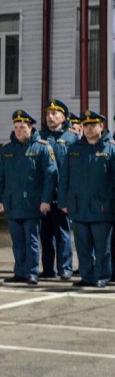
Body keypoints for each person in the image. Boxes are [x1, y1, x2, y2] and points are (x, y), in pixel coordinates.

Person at [0, 110, 57, 285]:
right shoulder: (7, 150)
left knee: (32, 241)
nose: (19, 131)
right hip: (13, 204)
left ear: (30, 128)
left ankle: (31, 272)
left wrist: (46, 200)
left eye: (22, 127)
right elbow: (0, 177)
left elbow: (50, 177)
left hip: (33, 203)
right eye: (16, 128)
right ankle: (20, 272)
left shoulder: (42, 147)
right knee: (17, 242)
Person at [58, 110, 115, 288]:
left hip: (102, 207)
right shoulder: (74, 149)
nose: (89, 129)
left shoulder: (110, 149)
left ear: (101, 126)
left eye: (93, 125)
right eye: (86, 126)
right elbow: (64, 177)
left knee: (102, 246)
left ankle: (102, 276)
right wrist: (64, 201)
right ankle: (87, 276)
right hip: (79, 206)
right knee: (82, 245)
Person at [39, 98, 77, 279]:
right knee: (45, 234)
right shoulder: (40, 138)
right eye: (48, 114)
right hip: (44, 195)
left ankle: (65, 269)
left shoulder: (72, 138)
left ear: (64, 117)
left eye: (55, 114)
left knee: (63, 233)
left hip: (63, 194)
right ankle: (48, 269)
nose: (50, 117)